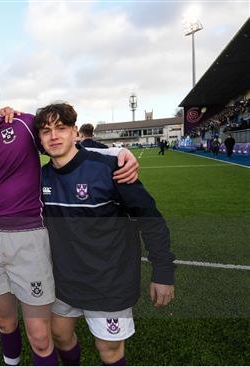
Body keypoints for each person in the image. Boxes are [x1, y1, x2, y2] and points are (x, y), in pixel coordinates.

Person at [0, 67, 139, 365]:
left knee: (41, 337)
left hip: (30, 238)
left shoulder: (23, 123)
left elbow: (65, 145)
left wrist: (117, 152)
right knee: (4, 322)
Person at [34, 102, 175, 365]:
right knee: (60, 335)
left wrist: (163, 272)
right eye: (46, 131)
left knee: (108, 349)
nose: (54, 136)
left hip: (110, 281)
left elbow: (151, 218)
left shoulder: (110, 167)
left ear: (75, 132)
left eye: (61, 128)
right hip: (63, 281)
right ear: (40, 139)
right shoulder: (40, 178)